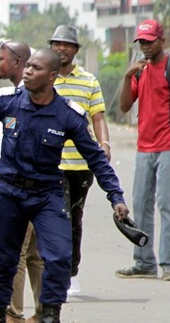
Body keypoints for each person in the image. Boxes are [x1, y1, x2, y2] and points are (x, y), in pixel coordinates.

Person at [0, 48, 129, 323]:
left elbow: (96, 158)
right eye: (28, 66)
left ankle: (49, 322)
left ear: (52, 76)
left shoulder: (67, 114)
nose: (28, 71)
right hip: (9, 193)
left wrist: (116, 197)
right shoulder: (7, 102)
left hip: (47, 194)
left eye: (35, 67)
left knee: (59, 256)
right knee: (5, 260)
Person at [116, 19, 170, 281]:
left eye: (150, 41)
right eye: (142, 42)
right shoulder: (139, 71)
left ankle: (169, 264)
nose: (146, 46)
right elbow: (125, 106)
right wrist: (128, 76)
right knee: (140, 205)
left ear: (162, 40)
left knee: (165, 205)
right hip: (143, 148)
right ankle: (144, 262)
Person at [49, 25, 112, 296]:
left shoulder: (88, 81)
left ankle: (71, 273)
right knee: (57, 219)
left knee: (74, 218)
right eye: (58, 44)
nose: (62, 48)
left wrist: (105, 144)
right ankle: (58, 273)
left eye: (68, 45)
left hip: (82, 165)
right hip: (52, 163)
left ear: (75, 50)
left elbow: (98, 117)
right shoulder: (44, 78)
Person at [0, 40, 44, 323]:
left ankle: (13, 315)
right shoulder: (9, 95)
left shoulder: (27, 97)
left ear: (18, 62)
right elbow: (8, 141)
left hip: (22, 188)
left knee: (16, 251)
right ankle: (44, 311)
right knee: (36, 253)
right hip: (39, 186)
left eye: (0, 59)